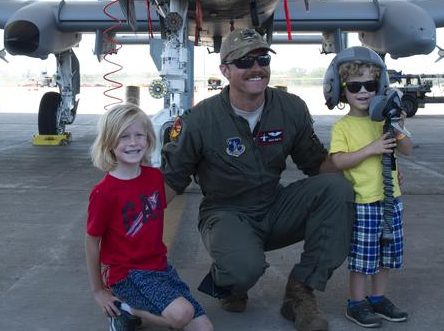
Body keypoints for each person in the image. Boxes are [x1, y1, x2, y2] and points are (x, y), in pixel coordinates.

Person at [162, 28, 353, 331]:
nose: (256, 68)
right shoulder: (199, 120)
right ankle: (231, 281)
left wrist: (375, 173)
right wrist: (132, 220)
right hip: (225, 212)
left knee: (338, 190)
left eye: (262, 59)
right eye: (244, 62)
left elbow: (317, 165)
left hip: (274, 205)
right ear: (225, 70)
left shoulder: (290, 108)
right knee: (242, 269)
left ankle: (299, 293)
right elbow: (172, 180)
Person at [86, 103, 212, 331]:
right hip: (127, 274)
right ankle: (123, 308)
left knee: (203, 328)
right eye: (123, 137)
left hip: (160, 269)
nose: (133, 143)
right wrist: (98, 291)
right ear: (108, 143)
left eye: (139, 135)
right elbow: (92, 241)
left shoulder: (155, 178)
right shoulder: (103, 192)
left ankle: (134, 318)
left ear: (149, 138)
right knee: (182, 314)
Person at [328, 48, 413, 328]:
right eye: (355, 86)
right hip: (364, 202)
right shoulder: (343, 127)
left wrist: (398, 125)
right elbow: (338, 160)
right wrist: (372, 148)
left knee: (386, 255)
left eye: (370, 85)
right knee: (363, 258)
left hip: (391, 201)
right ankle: (356, 303)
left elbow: (408, 150)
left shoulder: (384, 121)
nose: (363, 92)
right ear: (342, 91)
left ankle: (378, 298)